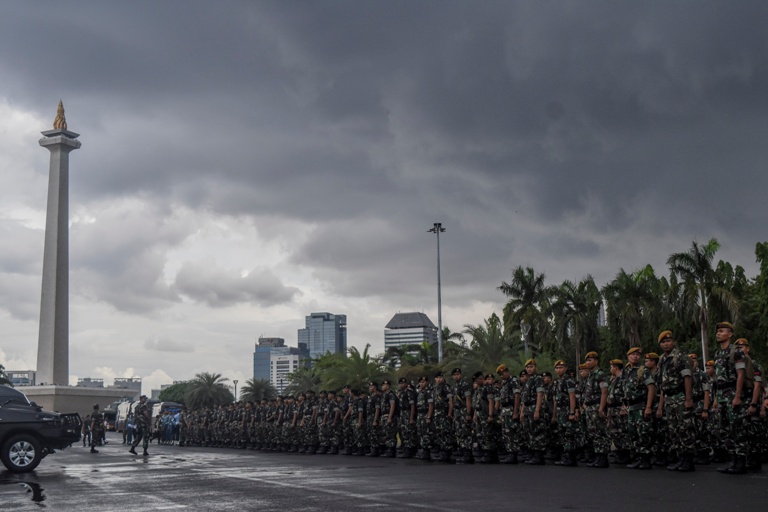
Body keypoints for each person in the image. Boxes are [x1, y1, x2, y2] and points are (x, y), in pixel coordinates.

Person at [712, 321, 750, 474]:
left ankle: (741, 462)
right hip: (721, 395)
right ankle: (732, 460)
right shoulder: (718, 353)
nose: (718, 333)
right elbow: (716, 379)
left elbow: (740, 375)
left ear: (730, 334)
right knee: (725, 429)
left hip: (732, 393)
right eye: (718, 331)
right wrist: (715, 398)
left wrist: (738, 396)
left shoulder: (736, 352)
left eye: (722, 331)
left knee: (737, 428)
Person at [657, 330, 696, 471]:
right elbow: (662, 384)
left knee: (685, 428)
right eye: (663, 342)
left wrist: (688, 399)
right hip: (668, 398)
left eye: (668, 341)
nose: (666, 344)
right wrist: (660, 406)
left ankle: (688, 460)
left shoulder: (680, 356)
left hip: (680, 396)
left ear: (673, 342)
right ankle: (680, 458)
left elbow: (687, 378)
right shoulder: (662, 359)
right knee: (673, 430)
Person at [623, 347, 656, 470]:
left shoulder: (643, 370)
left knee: (643, 433)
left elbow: (651, 388)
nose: (635, 356)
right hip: (631, 407)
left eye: (637, 355)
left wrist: (648, 407)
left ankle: (645, 459)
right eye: (633, 354)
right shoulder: (627, 372)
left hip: (641, 406)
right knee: (633, 433)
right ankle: (638, 457)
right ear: (628, 357)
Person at [582, 351, 610, 468]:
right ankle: (597, 456)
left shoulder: (600, 374)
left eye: (590, 360)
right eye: (587, 360)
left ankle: (603, 458)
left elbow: (604, 392)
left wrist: (601, 408)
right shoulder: (590, 375)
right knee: (593, 432)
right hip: (590, 407)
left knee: (600, 432)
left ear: (596, 361)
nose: (588, 362)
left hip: (597, 406)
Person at [552, 359, 579, 467]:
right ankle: (566, 456)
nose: (558, 370)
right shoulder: (558, 382)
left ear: (565, 369)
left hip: (567, 409)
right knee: (562, 434)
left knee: (569, 434)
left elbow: (572, 397)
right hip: (560, 411)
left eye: (561, 368)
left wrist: (572, 412)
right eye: (557, 368)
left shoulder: (568, 381)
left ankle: (570, 457)